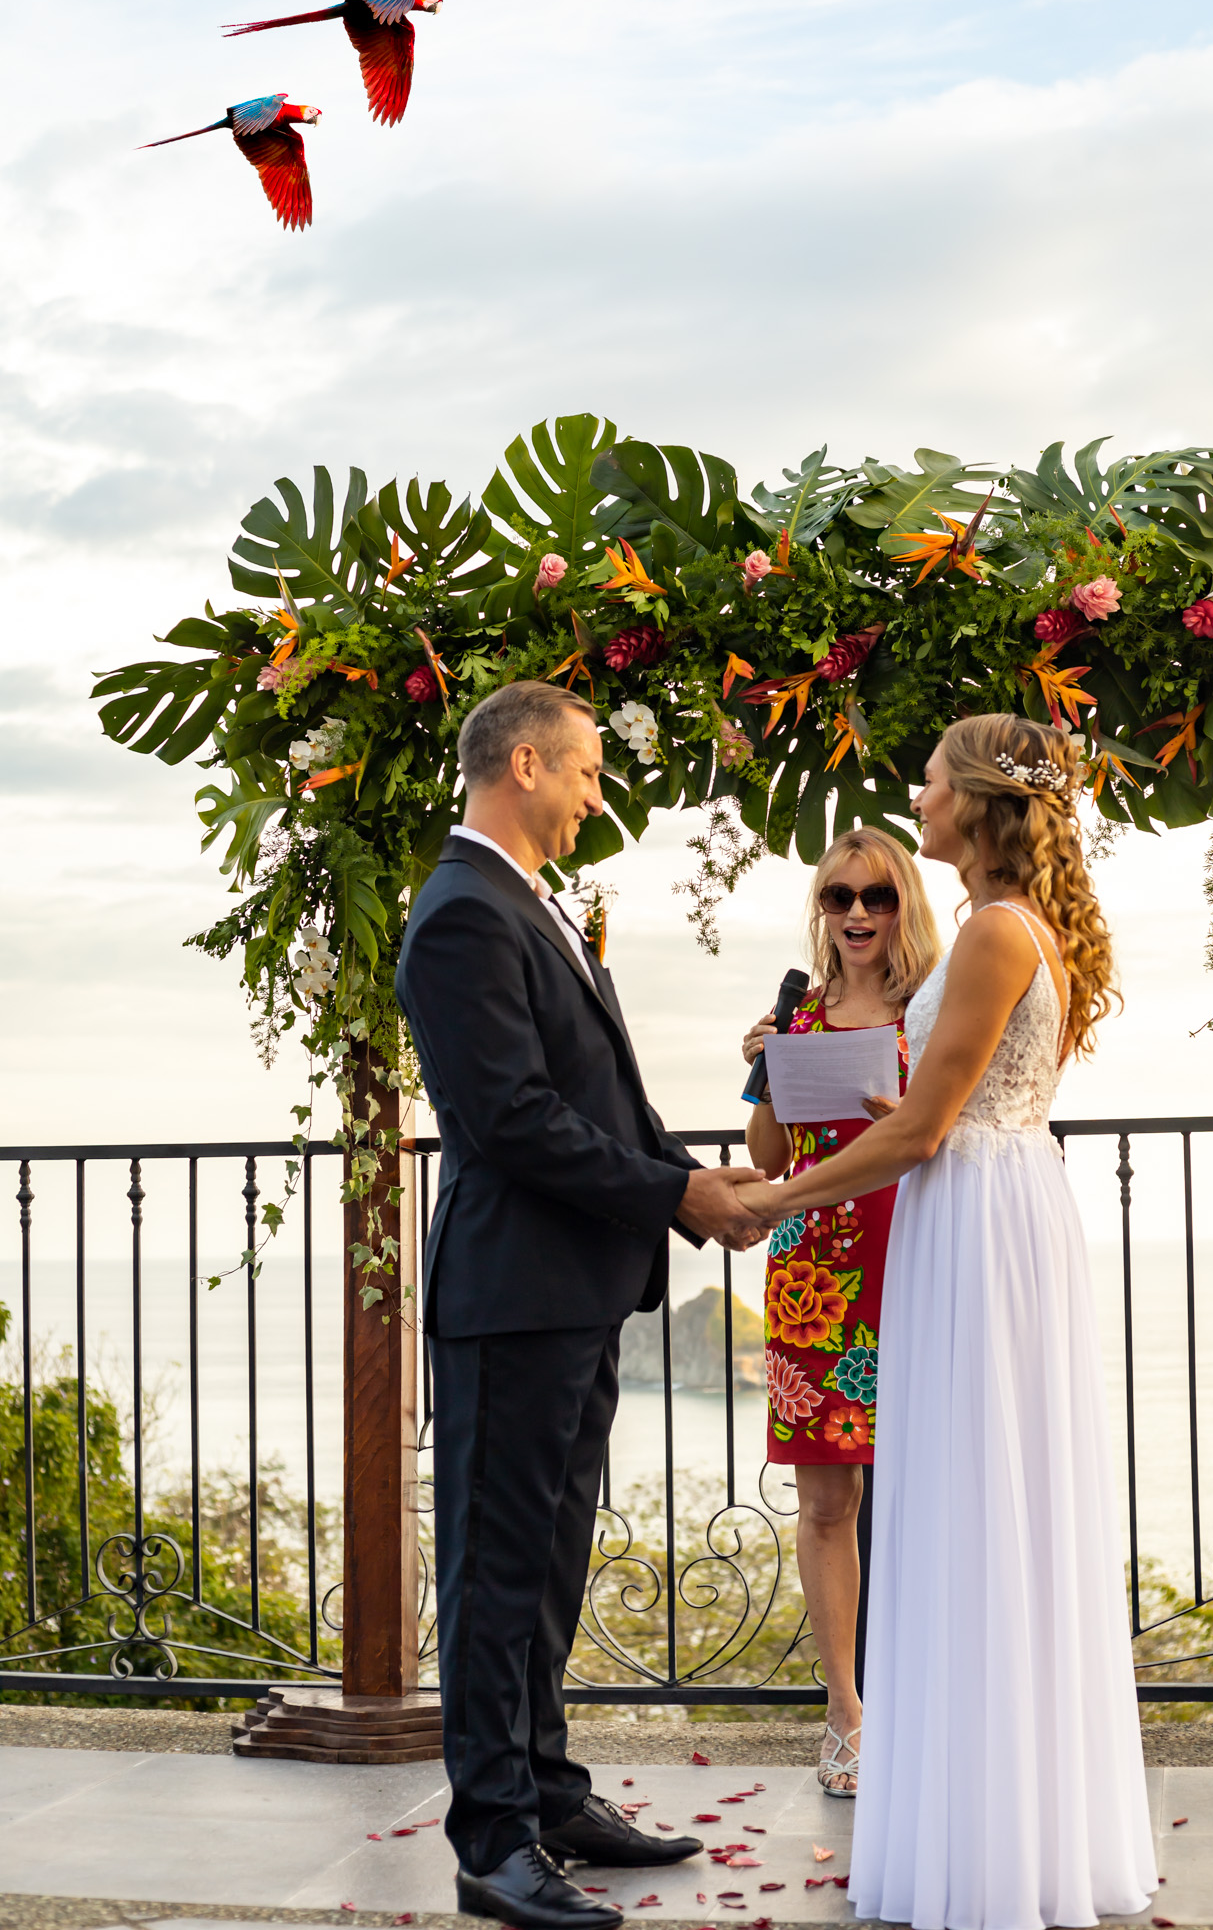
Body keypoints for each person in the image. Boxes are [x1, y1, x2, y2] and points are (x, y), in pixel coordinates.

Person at [734, 714, 1156, 1930]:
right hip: (986, 1203)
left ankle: (980, 1834)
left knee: (973, 1501)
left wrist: (769, 1194)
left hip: (969, 1216)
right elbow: (946, 1104)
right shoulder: (1020, 928)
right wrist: (885, 1109)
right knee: (990, 1505)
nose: (912, 795)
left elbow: (925, 1132)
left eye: (927, 779)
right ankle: (1009, 1815)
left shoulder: (985, 929)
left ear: (972, 803)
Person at [395, 681, 766, 1930]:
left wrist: (688, 1183)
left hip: (571, 1290)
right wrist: (673, 1193)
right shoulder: (460, 912)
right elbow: (507, 1119)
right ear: (522, 762)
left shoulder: (526, 902)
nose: (597, 794)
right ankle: (493, 1840)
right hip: (510, 1295)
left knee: (547, 1563)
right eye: (587, 770)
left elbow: (600, 1092)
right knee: (495, 1574)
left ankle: (550, 1792)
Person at [740, 825, 939, 1797]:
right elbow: (772, 1159)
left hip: (919, 1256)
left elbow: (958, 1127)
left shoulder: (936, 1007)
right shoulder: (799, 1015)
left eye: (877, 895)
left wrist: (891, 1099)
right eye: (838, 897)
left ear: (905, 903)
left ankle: (937, 1703)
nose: (857, 912)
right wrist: (771, 1069)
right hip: (814, 1270)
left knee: (937, 1490)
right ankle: (845, 1712)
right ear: (820, 911)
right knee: (827, 1503)